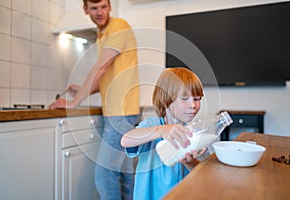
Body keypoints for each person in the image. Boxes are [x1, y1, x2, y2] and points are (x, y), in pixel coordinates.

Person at [49, 0, 140, 199]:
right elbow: (110, 77)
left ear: (110, 7)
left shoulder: (118, 26)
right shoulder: (102, 35)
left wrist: (74, 103)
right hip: (120, 111)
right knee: (122, 171)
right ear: (85, 10)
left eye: (103, 7)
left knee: (104, 172)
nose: (99, 12)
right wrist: (84, 90)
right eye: (94, 8)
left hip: (120, 112)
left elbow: (101, 68)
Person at [121, 67, 207, 200]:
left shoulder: (192, 133)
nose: (193, 105)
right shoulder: (152, 125)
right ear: (165, 99)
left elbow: (202, 174)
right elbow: (126, 140)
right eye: (184, 98)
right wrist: (161, 130)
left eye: (197, 99)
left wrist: (190, 162)